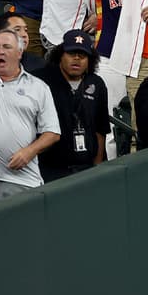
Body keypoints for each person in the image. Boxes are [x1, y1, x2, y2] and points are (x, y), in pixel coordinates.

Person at [0, 26, 59, 203]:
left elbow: (52, 133)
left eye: (7, 47)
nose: (0, 51)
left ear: (19, 53)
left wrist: (29, 152)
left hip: (22, 180)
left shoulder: (38, 87)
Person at [33, 29, 110, 181]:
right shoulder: (40, 81)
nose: (76, 59)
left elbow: (101, 130)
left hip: (86, 167)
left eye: (82, 55)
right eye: (71, 53)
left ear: (90, 59)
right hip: (51, 168)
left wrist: (97, 167)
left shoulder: (96, 83)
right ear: (61, 55)